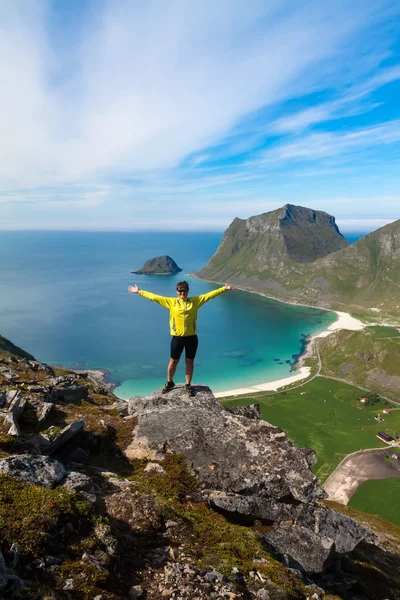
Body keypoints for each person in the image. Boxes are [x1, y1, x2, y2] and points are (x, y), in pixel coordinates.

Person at [128, 280, 234, 396]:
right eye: (180, 291)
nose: (182, 293)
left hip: (191, 338)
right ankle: (169, 382)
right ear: (177, 291)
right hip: (177, 338)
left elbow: (209, 296)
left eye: (184, 290)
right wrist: (139, 291)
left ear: (188, 291)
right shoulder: (171, 302)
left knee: (189, 362)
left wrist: (223, 289)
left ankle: (188, 385)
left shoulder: (195, 301)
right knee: (173, 362)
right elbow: (154, 297)